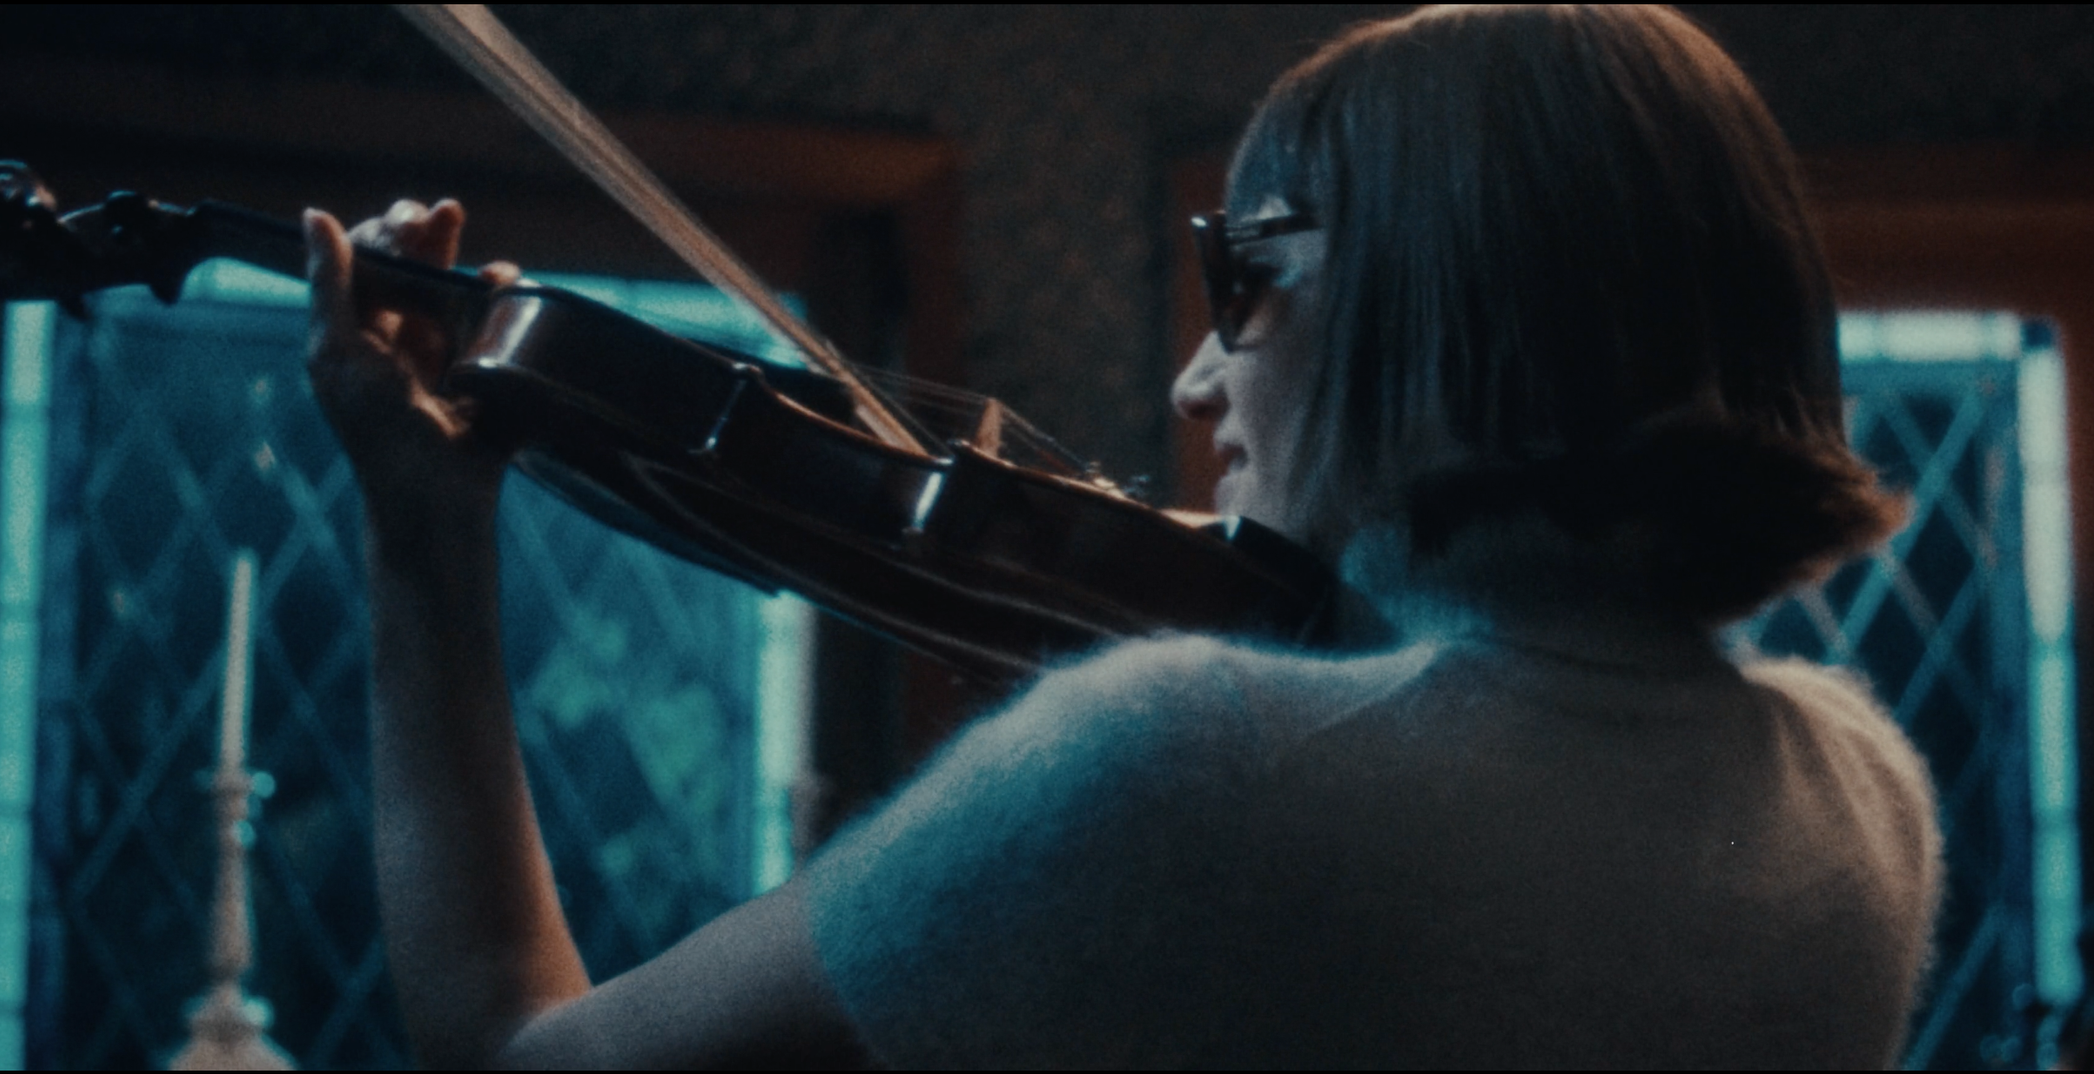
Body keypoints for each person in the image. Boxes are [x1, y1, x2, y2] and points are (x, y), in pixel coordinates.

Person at [305, 4, 1939, 1067]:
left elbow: (512, 1049)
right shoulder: (1863, 791)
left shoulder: (1186, 761)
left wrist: (422, 528)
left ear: (1433, 301)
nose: (1195, 373)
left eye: (1246, 275)